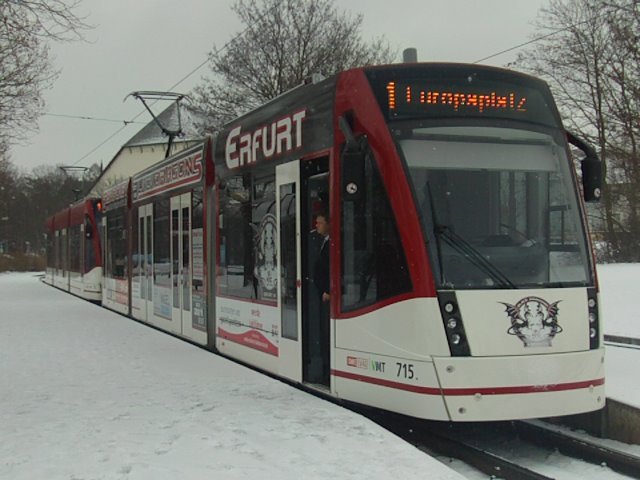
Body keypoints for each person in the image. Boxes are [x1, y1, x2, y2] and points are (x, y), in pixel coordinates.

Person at [312, 210, 330, 384]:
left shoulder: (331, 243)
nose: (316, 225)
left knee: (327, 334)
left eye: (320, 222)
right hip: (323, 294)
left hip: (327, 296)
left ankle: (327, 373)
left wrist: (328, 289)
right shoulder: (324, 242)